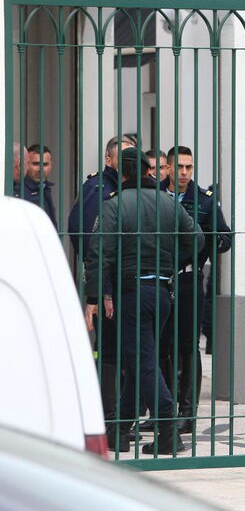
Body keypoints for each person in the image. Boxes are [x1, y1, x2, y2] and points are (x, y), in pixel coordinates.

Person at [84, 147, 203, 454]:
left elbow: (100, 253)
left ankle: (167, 427)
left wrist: (95, 296)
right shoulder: (167, 202)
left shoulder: (114, 205)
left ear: (122, 173)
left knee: (143, 361)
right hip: (163, 291)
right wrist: (173, 260)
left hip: (131, 293)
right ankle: (120, 430)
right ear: (149, 170)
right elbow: (198, 238)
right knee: (141, 359)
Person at [159, 146, 232, 434]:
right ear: (167, 167)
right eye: (180, 167)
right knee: (162, 346)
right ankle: (163, 408)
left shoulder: (203, 201)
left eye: (189, 167)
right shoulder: (154, 196)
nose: (185, 173)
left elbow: (224, 238)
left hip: (188, 280)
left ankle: (187, 412)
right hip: (159, 279)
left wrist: (205, 242)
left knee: (189, 345)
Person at [69, 133, 137, 438]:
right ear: (109, 159)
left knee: (124, 353)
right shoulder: (99, 189)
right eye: (123, 156)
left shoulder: (127, 188)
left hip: (130, 283)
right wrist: (103, 290)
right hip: (111, 285)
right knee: (109, 354)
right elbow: (92, 244)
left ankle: (122, 420)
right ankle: (109, 422)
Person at [22, 144, 58, 229]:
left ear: (51, 165)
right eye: (35, 164)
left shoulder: (45, 188)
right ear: (25, 164)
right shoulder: (19, 190)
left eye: (45, 164)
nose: (40, 169)